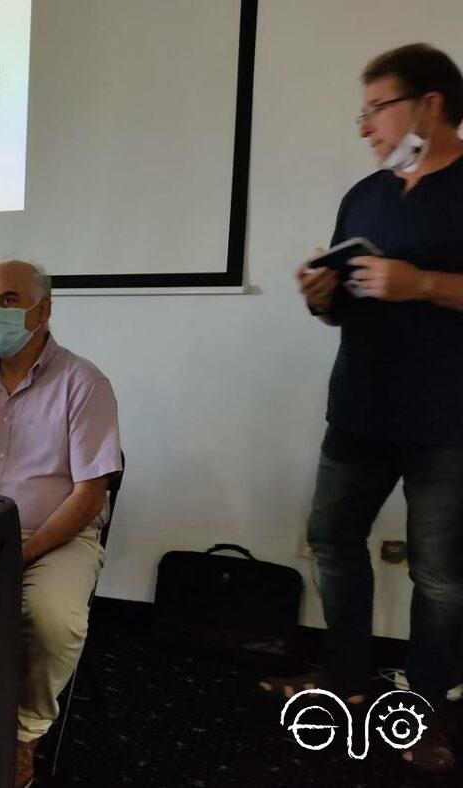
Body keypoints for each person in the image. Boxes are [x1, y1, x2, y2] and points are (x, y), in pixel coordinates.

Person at [260, 43, 463, 775]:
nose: (365, 126)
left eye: (376, 107)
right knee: (332, 542)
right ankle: (347, 681)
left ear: (429, 105)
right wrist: (324, 299)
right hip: (359, 410)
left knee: (441, 575)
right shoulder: (366, 195)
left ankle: (427, 709)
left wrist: (427, 285)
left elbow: (418, 288)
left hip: (448, 423)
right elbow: (349, 311)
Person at [0, 260, 121, 788]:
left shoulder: (84, 383)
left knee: (51, 619)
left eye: (8, 300)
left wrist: (25, 552)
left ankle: (24, 734)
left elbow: (90, 495)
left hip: (57, 538)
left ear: (44, 310)